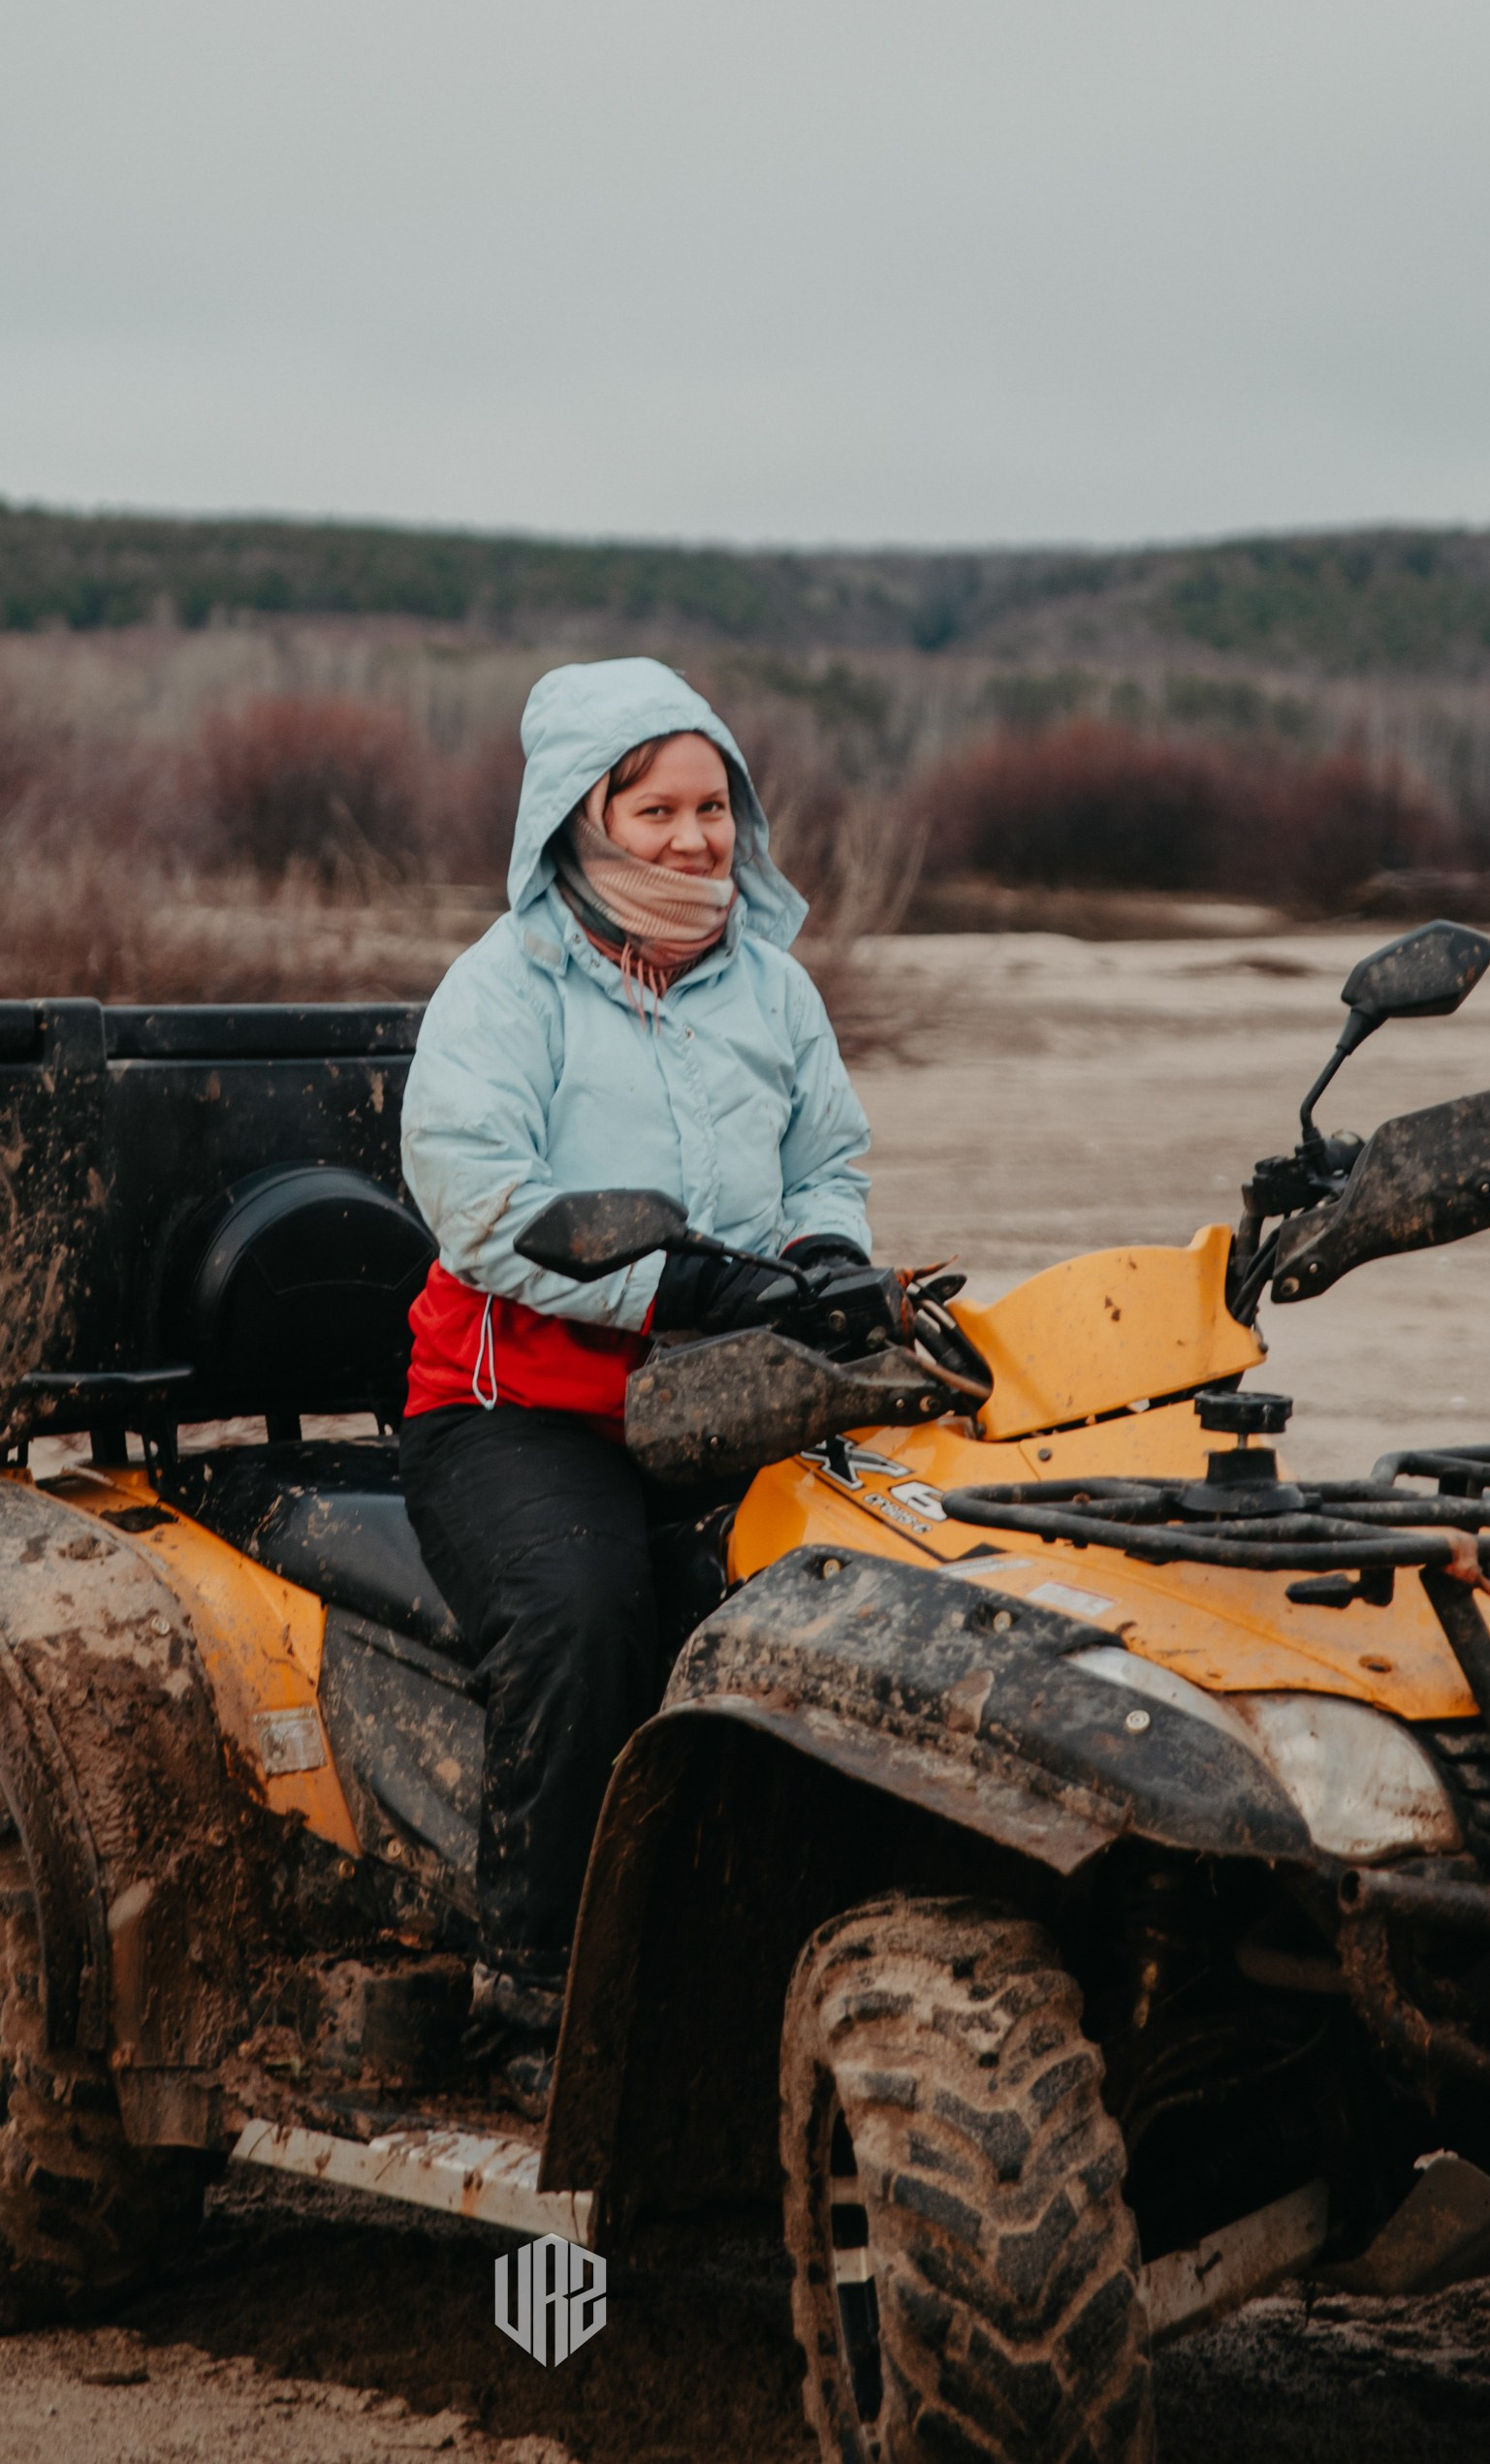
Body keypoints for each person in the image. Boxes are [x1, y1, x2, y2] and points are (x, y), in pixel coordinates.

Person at [397, 656, 872, 2085]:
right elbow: (479, 1199)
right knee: (587, 1607)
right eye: (654, 807)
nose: (692, 839)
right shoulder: (504, 992)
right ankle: (530, 1996)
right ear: (582, 818)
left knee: (872, 1586)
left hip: (732, 1391)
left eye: (712, 805)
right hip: (520, 1406)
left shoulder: (772, 990)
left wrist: (828, 1254)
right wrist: (675, 1281)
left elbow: (827, 1158)